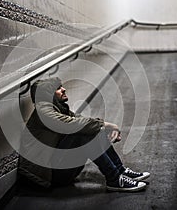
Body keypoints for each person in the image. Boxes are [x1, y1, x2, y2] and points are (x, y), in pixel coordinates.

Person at [18, 77, 150, 192]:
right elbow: (73, 124)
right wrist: (109, 125)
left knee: (91, 129)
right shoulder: (43, 112)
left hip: (58, 170)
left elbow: (83, 121)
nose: (64, 89)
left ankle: (120, 171)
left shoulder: (59, 109)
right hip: (45, 177)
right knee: (83, 133)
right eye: (58, 89)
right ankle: (115, 179)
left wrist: (103, 128)